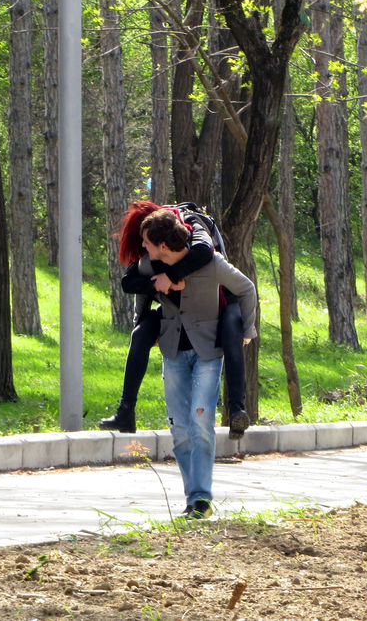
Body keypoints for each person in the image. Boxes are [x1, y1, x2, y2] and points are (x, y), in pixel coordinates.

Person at [122, 208, 257, 518]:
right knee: (180, 429)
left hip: (209, 352)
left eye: (147, 242)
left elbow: (246, 288)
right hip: (172, 352)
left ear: (163, 245)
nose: (143, 246)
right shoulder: (152, 263)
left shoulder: (210, 262)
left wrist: (246, 332)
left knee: (200, 423)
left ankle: (200, 500)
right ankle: (192, 498)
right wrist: (145, 326)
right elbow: (134, 286)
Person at [98, 201, 250, 439]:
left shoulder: (192, 224)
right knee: (140, 335)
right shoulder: (153, 246)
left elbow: (203, 252)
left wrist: (172, 276)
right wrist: (155, 292)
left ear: (161, 240)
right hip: (179, 311)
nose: (142, 245)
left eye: (145, 241)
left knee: (232, 334)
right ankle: (125, 411)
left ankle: (237, 410)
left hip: (220, 299)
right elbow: (130, 282)